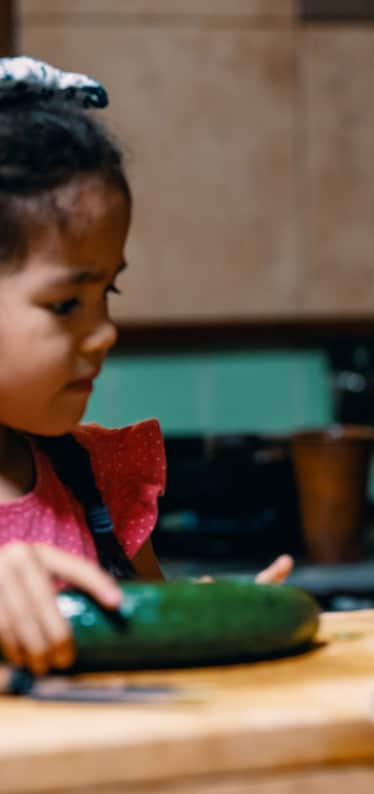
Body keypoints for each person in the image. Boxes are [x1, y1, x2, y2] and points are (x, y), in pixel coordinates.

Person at [0, 57, 290, 676]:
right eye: (66, 303)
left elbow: (149, 625)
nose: (104, 331)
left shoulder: (95, 479)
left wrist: (213, 613)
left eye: (110, 293)